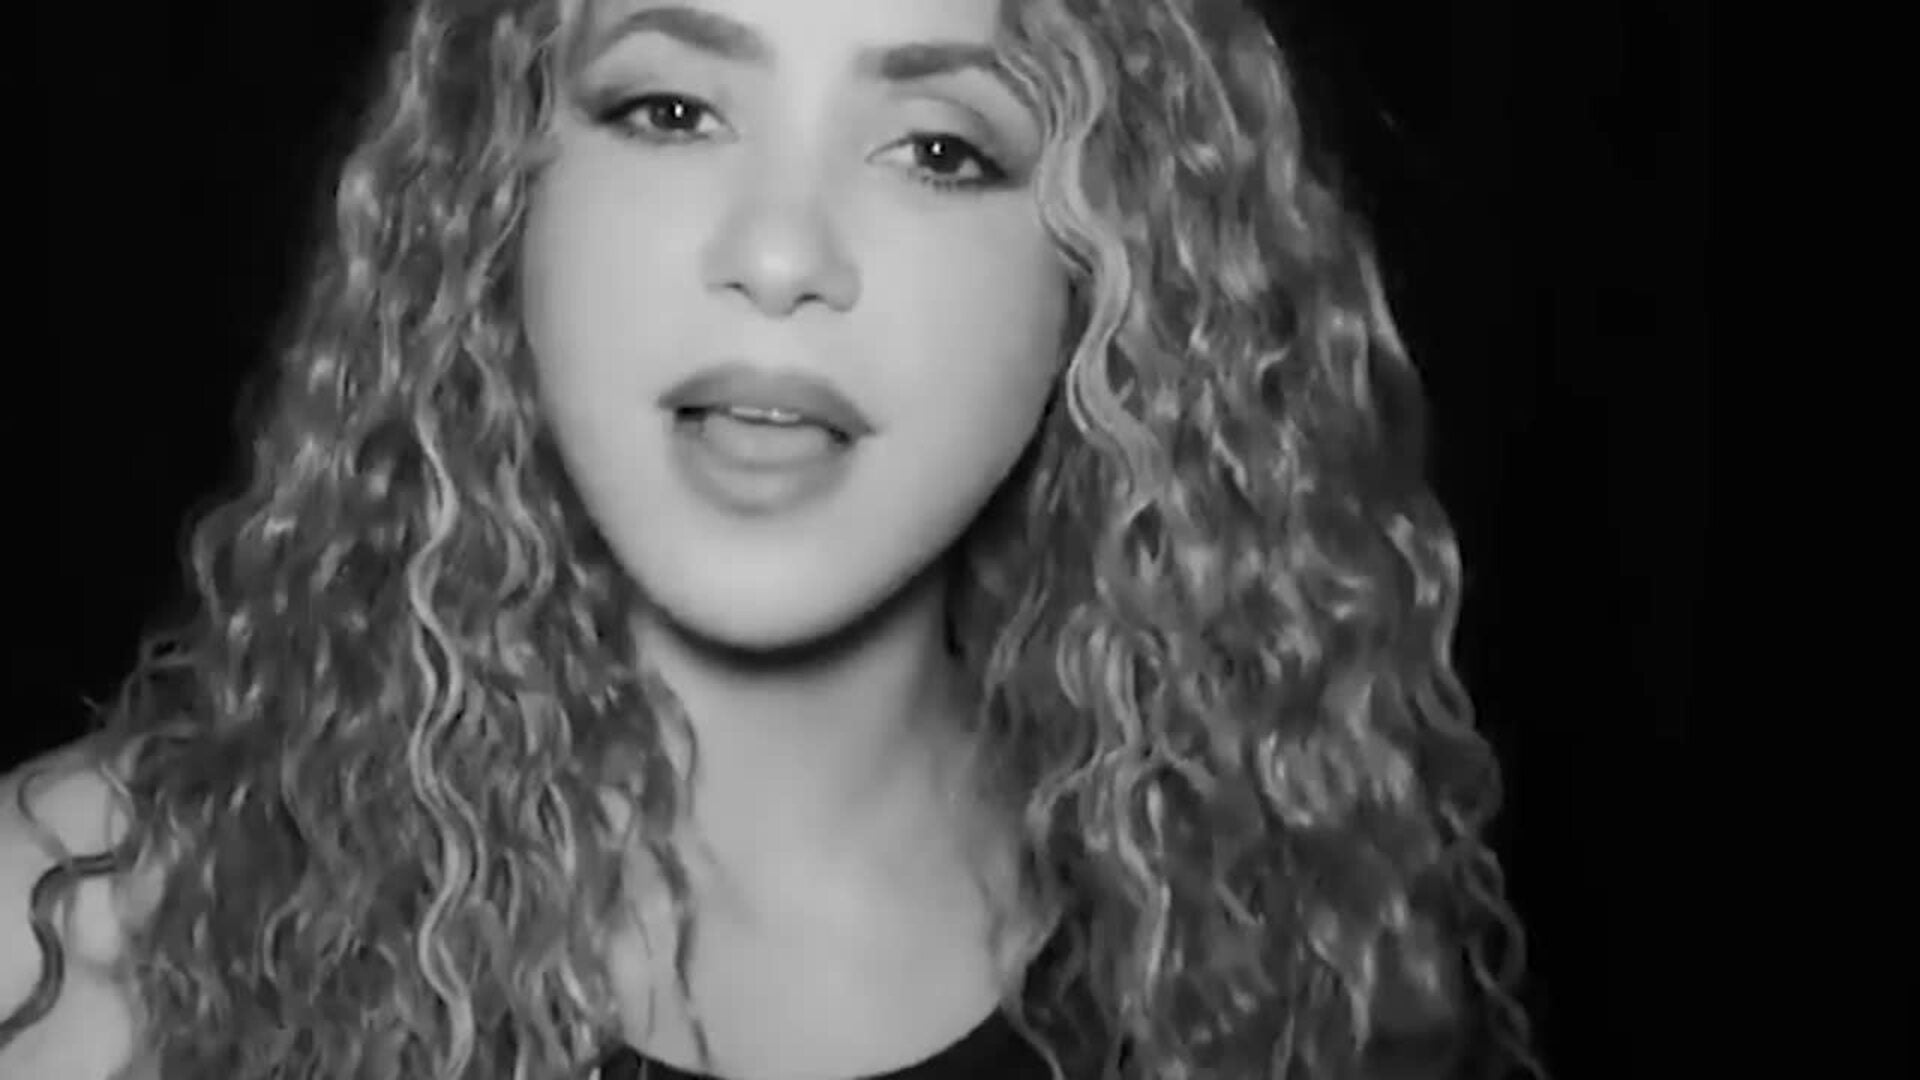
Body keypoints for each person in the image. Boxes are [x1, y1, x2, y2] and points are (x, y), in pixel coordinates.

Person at [0, 0, 1542, 1077]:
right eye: (670, 110)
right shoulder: (79, 936)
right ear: (492, 199)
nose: (781, 253)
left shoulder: (1300, 969)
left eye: (939, 148)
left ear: (1112, 277)